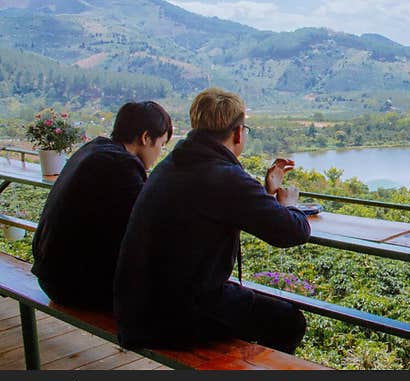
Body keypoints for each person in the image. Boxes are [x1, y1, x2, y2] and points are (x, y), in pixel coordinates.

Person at [113, 87, 311, 353]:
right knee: (288, 321)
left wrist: (265, 193)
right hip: (174, 317)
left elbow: (224, 203)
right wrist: (290, 205)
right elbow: (292, 232)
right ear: (239, 133)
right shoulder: (223, 175)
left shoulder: (172, 164)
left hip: (137, 309)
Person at [31, 101, 173, 309]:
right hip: (73, 287)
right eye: (161, 144)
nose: (160, 152)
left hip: (50, 274)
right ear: (145, 138)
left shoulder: (93, 150)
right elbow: (144, 228)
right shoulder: (122, 166)